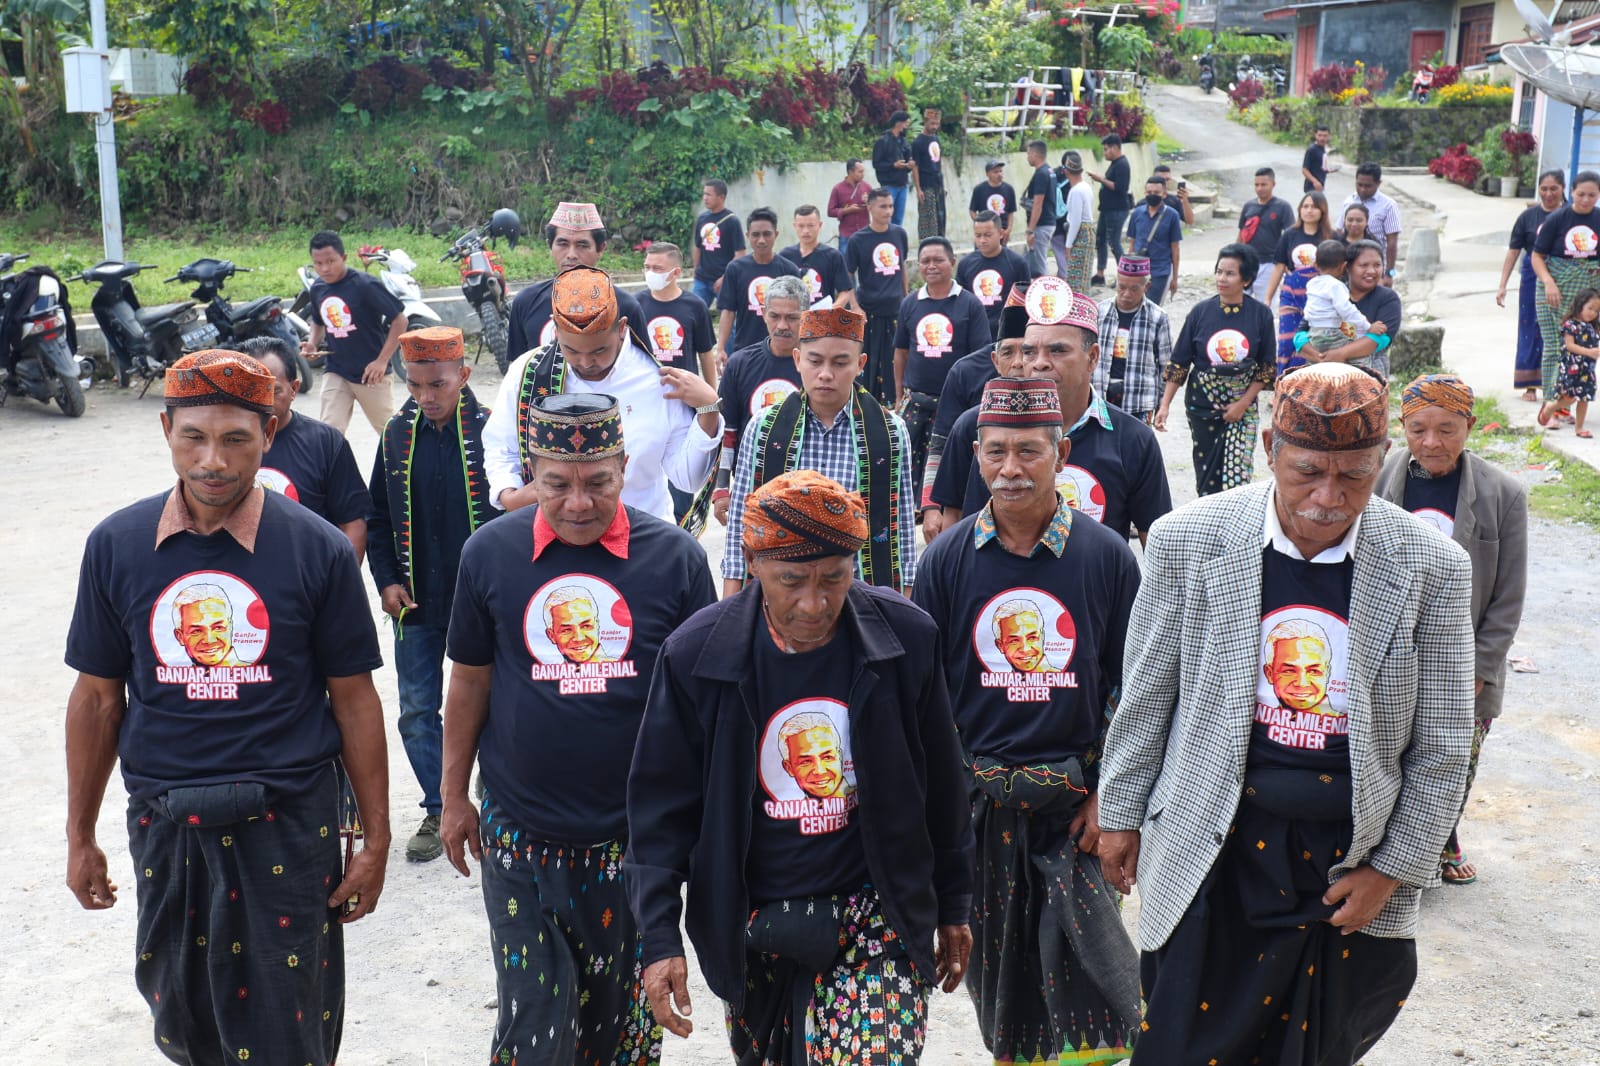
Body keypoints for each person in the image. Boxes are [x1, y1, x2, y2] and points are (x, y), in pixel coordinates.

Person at [1098, 362, 1476, 1066]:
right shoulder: (1189, 539)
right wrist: (1119, 813)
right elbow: (1146, 693)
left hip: (1345, 862)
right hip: (1212, 843)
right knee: (1180, 1042)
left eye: (1355, 476)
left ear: (1382, 458)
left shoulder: (1432, 565)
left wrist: (1391, 869)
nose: (1329, 498)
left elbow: (1445, 742)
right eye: (1307, 472)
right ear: (1270, 447)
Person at [65, 349, 388, 1065]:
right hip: (165, 822)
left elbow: (355, 703)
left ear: (269, 433)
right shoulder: (116, 545)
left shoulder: (320, 550)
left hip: (290, 824)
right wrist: (79, 835)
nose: (213, 461)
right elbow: (96, 700)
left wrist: (376, 839)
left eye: (236, 439)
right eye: (194, 437)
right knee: (183, 1021)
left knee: (291, 1027)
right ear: (166, 431)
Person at [626, 469, 974, 1066]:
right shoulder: (696, 656)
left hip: (876, 912)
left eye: (834, 578)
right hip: (753, 918)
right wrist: (660, 939)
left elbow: (943, 783)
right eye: (792, 580)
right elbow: (660, 810)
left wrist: (954, 902)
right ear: (752, 563)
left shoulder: (905, 639)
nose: (814, 603)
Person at [440, 391, 716, 1066]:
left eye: (598, 482)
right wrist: (452, 796)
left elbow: (703, 706)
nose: (578, 503)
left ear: (624, 467)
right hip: (518, 830)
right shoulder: (489, 553)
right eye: (556, 484)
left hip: (635, 843)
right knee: (535, 1026)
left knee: (621, 1030)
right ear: (530, 474)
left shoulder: (676, 559)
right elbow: (470, 680)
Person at [914, 377, 1143, 1064]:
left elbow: (1135, 689)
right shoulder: (946, 560)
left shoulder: (1106, 556)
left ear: (1061, 453)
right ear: (976, 457)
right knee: (1001, 986)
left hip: (1076, 815)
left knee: (1090, 984)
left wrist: (1110, 800)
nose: (1010, 469)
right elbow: (926, 697)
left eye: (1029, 451)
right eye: (995, 452)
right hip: (980, 811)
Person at [1378, 374, 1528, 885]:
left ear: (1469, 425)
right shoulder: (1377, 480)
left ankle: (1442, 838)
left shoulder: (1503, 494)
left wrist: (1482, 667)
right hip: (1392, 648)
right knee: (1390, 750)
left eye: (1447, 429)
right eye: (1418, 429)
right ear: (1402, 427)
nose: (1432, 443)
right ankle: (1391, 848)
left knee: (1454, 755)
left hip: (1465, 658)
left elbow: (1508, 596)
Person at [366, 325, 496, 863]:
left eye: (437, 384)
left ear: (463, 375)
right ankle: (439, 805)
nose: (425, 396)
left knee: (496, 702)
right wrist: (387, 581)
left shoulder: (493, 432)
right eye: (415, 385)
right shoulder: (395, 436)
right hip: (416, 602)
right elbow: (377, 518)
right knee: (417, 711)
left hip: (482, 605)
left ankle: (494, 798)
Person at [932, 278, 1172, 545]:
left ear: (1093, 357)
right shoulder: (975, 427)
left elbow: (1156, 541)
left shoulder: (1133, 439)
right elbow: (952, 525)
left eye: (1057, 351)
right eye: (1030, 352)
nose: (1040, 363)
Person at [485, 266, 722, 522]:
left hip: (641, 534)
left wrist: (708, 409)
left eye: (599, 351)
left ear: (621, 328)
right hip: (554, 533)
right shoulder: (529, 374)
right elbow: (501, 445)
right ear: (556, 329)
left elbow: (687, 479)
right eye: (571, 351)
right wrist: (509, 493)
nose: (586, 362)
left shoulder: (659, 381)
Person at [722, 306, 918, 596]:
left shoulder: (890, 431)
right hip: (780, 593)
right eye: (815, 361)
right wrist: (732, 604)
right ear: (797, 359)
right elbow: (742, 521)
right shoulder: (764, 427)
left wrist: (902, 606)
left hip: (860, 594)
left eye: (840, 363)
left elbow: (901, 527)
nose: (825, 374)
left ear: (860, 364)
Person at [1155, 243, 1277, 495]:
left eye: (1230, 273)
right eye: (1219, 271)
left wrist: (1242, 404)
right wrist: (1164, 405)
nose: (1222, 278)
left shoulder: (1261, 315)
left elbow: (1266, 368)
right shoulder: (1200, 312)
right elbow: (1180, 362)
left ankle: (1235, 515)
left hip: (1242, 409)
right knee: (1206, 473)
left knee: (1238, 476)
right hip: (1202, 406)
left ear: (1246, 279)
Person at [239, 334, 370, 560]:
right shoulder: (219, 446)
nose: (261, 400)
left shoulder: (326, 443)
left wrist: (343, 578)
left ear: (294, 389)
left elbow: (352, 524)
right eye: (249, 390)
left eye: (273, 390)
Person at [921, 289, 1031, 537]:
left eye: (1027, 351)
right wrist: (930, 507)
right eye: (1008, 352)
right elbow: (941, 443)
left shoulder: (1060, 410)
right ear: (995, 359)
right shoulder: (965, 379)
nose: (1018, 362)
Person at [894, 236, 993, 496]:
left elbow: (980, 358)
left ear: (952, 262)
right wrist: (898, 395)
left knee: (947, 465)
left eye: (938, 260)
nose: (931, 266)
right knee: (903, 461)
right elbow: (901, 352)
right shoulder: (910, 303)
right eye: (925, 261)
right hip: (915, 401)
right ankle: (913, 509)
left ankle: (940, 508)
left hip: (954, 405)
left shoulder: (970, 304)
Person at [712, 275, 809, 525]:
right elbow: (727, 432)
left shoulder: (818, 366)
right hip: (751, 487)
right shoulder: (739, 364)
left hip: (807, 488)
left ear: (806, 317)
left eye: (792, 317)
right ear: (764, 314)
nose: (782, 325)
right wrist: (721, 488)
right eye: (775, 316)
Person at [504, 202, 646, 359]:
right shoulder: (526, 302)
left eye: (582, 245)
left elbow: (643, 367)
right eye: (563, 244)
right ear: (550, 246)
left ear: (600, 249)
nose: (571, 254)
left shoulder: (626, 306)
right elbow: (517, 367)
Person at [300, 229, 406, 434]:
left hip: (371, 373)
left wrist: (382, 361)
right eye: (318, 263)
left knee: (390, 434)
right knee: (329, 432)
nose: (324, 268)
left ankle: (414, 456)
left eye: (330, 261)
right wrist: (312, 343)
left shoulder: (365, 285)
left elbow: (400, 320)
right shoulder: (318, 288)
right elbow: (318, 322)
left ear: (344, 257)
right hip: (336, 369)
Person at [1532, 170, 1600, 422]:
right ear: (1571, 192)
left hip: (1587, 295)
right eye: (1581, 194)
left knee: (1582, 349)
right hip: (1554, 291)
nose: (1585, 199)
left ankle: (1565, 404)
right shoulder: (1557, 219)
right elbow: (1537, 256)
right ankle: (1550, 402)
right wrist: (1549, 282)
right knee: (1554, 347)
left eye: (1592, 195)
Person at [1498, 169, 1566, 400]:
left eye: (1554, 189)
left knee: (1561, 328)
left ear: (1563, 189)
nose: (1548, 194)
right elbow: (1513, 251)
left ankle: (1558, 384)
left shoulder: (1570, 215)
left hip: (1563, 274)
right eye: (1544, 189)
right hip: (1532, 276)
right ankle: (1529, 385)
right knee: (1530, 325)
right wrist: (1503, 285)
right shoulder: (1528, 217)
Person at [1299, 240, 1403, 379]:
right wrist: (1319, 357)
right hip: (1324, 372)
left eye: (1377, 265)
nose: (1371, 271)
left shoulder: (1387, 298)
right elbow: (1300, 335)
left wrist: (1341, 354)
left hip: (1369, 372)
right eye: (1363, 265)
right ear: (1347, 267)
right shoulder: (1331, 292)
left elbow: (1380, 339)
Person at [844, 187, 911, 404]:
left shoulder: (899, 234)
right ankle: (866, 403)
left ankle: (895, 401)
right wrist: (855, 306)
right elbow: (848, 276)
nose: (888, 211)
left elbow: (902, 266)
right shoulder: (857, 240)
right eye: (883, 206)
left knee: (896, 359)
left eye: (891, 206)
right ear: (870, 208)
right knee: (869, 362)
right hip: (869, 312)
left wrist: (907, 298)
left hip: (896, 310)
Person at [716, 206, 802, 361]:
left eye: (767, 234)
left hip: (783, 351)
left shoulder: (789, 270)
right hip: (745, 349)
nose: (761, 240)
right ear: (747, 236)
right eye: (756, 235)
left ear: (776, 234)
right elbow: (728, 311)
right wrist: (721, 348)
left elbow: (799, 313)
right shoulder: (735, 269)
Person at [1095, 255, 1173, 423]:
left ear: (1147, 286)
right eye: (1121, 287)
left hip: (1139, 402)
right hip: (1100, 400)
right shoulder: (1099, 312)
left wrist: (1163, 405)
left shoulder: (1158, 317)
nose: (1126, 294)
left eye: (1134, 289)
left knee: (1137, 441)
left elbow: (1166, 366)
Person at [1266, 191, 1335, 373]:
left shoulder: (1330, 236)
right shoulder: (1290, 235)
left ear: (1323, 211)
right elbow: (1279, 267)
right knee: (1288, 340)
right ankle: (1284, 381)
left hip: (1321, 297)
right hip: (1292, 294)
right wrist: (1267, 298)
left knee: (1314, 341)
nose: (1309, 210)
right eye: (1305, 206)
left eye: (1314, 207)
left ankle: (1308, 383)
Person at [637, 241, 717, 387]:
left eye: (657, 268)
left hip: (685, 390)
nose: (650, 273)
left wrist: (712, 394)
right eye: (647, 267)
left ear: (676, 273)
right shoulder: (636, 304)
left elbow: (705, 353)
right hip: (646, 389)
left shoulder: (695, 306)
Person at [958, 209, 1031, 337]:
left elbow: (1024, 301)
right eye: (978, 235)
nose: (982, 240)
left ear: (1001, 234)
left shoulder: (1017, 263)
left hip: (1006, 333)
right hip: (975, 332)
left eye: (988, 235)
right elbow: (961, 302)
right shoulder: (965, 264)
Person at [1303, 239, 1386, 351]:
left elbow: (1308, 310)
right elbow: (1347, 310)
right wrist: (1368, 327)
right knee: (1355, 349)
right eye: (1363, 265)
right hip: (1330, 333)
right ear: (1344, 266)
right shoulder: (1336, 286)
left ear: (1316, 265)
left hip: (1313, 332)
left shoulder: (1312, 284)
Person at [780, 203, 857, 311]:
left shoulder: (833, 256)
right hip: (793, 317)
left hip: (823, 318)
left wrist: (829, 311)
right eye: (801, 226)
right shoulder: (785, 256)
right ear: (794, 226)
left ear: (820, 225)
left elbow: (845, 292)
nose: (806, 231)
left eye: (811, 225)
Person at [1238, 167, 1295, 304]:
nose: (1259, 188)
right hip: (1248, 262)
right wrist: (1235, 256)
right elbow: (1241, 234)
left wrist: (1287, 261)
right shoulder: (1248, 206)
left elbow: (1291, 236)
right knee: (1238, 301)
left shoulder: (1283, 207)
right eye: (1256, 185)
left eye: (1264, 184)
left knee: (1265, 303)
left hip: (1269, 264)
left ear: (1273, 184)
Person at [1340, 163, 1402, 282]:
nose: (1363, 189)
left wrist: (1389, 274)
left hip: (1373, 272)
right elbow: (1340, 231)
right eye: (1359, 185)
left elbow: (1392, 242)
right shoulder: (1348, 202)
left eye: (1368, 186)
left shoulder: (1388, 205)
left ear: (1378, 183)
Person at [1126, 176, 1183, 305]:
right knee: (1134, 306)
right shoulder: (1137, 214)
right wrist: (1129, 270)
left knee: (1153, 307)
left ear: (1164, 194)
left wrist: (1174, 278)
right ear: (1145, 193)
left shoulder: (1172, 216)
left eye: (1156, 192)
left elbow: (1175, 248)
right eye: (1149, 192)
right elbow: (1132, 243)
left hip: (1160, 271)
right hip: (1138, 269)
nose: (1152, 195)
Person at [692, 178, 746, 308]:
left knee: (729, 315)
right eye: (704, 194)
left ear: (721, 197)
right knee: (694, 312)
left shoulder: (732, 221)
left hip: (723, 281)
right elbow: (698, 247)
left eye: (709, 195)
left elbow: (740, 254)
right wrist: (695, 271)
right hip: (701, 280)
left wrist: (724, 278)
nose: (705, 198)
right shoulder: (702, 218)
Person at [1087, 133, 1132, 285]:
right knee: (1100, 240)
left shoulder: (1122, 165)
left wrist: (1101, 179)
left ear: (1114, 148)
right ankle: (1100, 274)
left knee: (1114, 242)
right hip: (1107, 209)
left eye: (1106, 149)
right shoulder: (1115, 164)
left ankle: (1125, 275)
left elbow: (1120, 188)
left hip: (1117, 209)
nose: (1105, 153)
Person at [1556, 286, 1600, 436]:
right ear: (1580, 305)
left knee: (1584, 398)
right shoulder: (1570, 325)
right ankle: (1550, 408)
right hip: (1571, 369)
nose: (1593, 313)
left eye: (1596, 311)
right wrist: (1589, 352)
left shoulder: (1593, 326)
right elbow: (1569, 346)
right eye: (1590, 308)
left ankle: (1579, 428)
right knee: (1569, 398)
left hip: (1587, 371)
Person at [1057, 150, 1097, 292]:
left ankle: (1078, 303)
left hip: (1081, 234)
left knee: (1075, 278)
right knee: (1084, 276)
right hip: (1088, 231)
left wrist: (1068, 245)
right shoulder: (1085, 187)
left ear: (1066, 171)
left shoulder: (1076, 191)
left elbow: (1075, 221)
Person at [1022, 138, 1059, 277]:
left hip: (1042, 224)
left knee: (1039, 264)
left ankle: (1044, 288)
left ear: (1035, 154)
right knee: (1040, 261)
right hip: (1049, 221)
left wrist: (1030, 229)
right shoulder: (1049, 171)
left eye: (1028, 153)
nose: (1027, 157)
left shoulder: (1041, 174)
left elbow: (1038, 204)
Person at [872, 109, 915, 225]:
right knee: (886, 217)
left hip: (903, 184)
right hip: (889, 185)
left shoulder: (904, 141)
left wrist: (910, 164)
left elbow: (909, 159)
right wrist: (893, 165)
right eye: (906, 123)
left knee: (898, 220)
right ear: (898, 123)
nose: (907, 127)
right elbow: (876, 164)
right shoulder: (883, 141)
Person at [912, 106, 947, 239]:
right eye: (932, 123)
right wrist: (918, 189)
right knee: (928, 218)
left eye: (937, 124)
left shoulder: (936, 139)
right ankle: (928, 243)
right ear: (925, 122)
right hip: (926, 184)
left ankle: (940, 241)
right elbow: (915, 166)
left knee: (940, 217)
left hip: (938, 183)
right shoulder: (918, 142)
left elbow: (938, 161)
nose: (934, 127)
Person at [826, 157, 872, 249]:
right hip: (846, 234)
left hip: (865, 233)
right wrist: (847, 210)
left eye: (863, 171)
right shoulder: (838, 189)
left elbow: (876, 207)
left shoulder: (867, 187)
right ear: (851, 172)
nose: (863, 175)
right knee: (845, 258)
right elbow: (830, 211)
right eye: (860, 172)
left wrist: (869, 202)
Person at [970, 158, 1019, 236]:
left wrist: (1008, 230)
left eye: (1000, 171)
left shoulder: (1009, 189)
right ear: (987, 174)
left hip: (1002, 231)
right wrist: (980, 225)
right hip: (985, 232)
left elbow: (1011, 212)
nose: (999, 174)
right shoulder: (979, 189)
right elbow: (972, 211)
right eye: (995, 172)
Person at [1302, 124, 1341, 192]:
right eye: (1319, 135)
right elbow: (1304, 170)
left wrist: (1330, 170)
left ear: (1329, 136)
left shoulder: (1323, 149)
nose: (1322, 138)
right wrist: (1315, 182)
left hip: (1320, 187)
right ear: (1315, 135)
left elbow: (1319, 168)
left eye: (1325, 136)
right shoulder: (1311, 150)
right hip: (1311, 188)